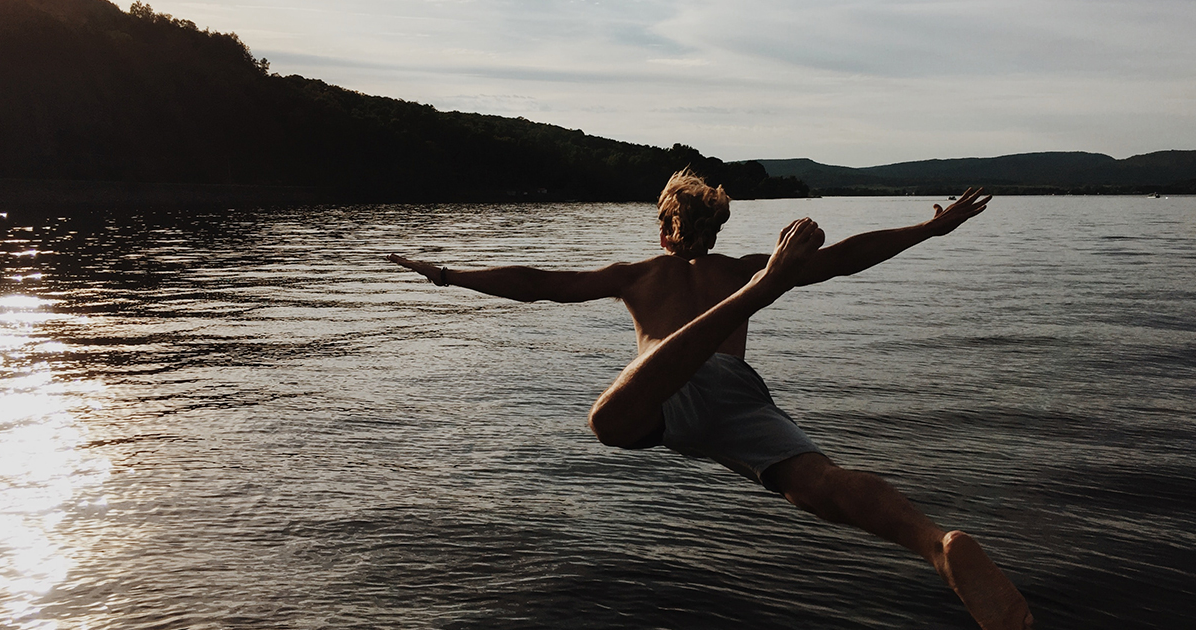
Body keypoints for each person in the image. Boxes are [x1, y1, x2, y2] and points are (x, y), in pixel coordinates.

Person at [388, 171, 1033, 630]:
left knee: (609, 422)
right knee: (817, 483)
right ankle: (934, 542)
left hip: (668, 382)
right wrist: (931, 227)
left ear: (665, 227)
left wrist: (450, 274)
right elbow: (845, 259)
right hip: (739, 391)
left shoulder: (639, 275)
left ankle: (753, 300)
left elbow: (538, 285)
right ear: (714, 226)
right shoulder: (739, 264)